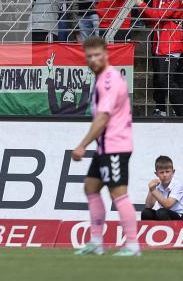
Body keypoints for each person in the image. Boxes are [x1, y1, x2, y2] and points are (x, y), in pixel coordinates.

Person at [71, 36, 140, 257]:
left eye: (97, 55)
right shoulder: (102, 78)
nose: (93, 59)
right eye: (89, 56)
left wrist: (81, 145)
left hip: (115, 146)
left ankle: (132, 244)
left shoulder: (109, 80)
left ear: (106, 54)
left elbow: (102, 118)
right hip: (105, 147)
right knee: (91, 187)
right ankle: (97, 242)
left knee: (119, 194)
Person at [135, 0, 183, 116]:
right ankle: (161, 110)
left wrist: (141, 5)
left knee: (166, 78)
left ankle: (182, 113)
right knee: (159, 79)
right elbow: (153, 17)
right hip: (160, 44)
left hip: (172, 44)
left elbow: (159, 15)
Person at [141, 155, 183, 221]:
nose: (165, 175)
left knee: (161, 212)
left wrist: (153, 190)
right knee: (146, 212)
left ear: (173, 172)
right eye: (161, 172)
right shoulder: (157, 185)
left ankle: (171, 231)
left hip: (182, 216)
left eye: (167, 171)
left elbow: (168, 205)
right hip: (165, 214)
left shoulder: (178, 185)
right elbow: (149, 206)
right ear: (156, 174)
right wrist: (151, 189)